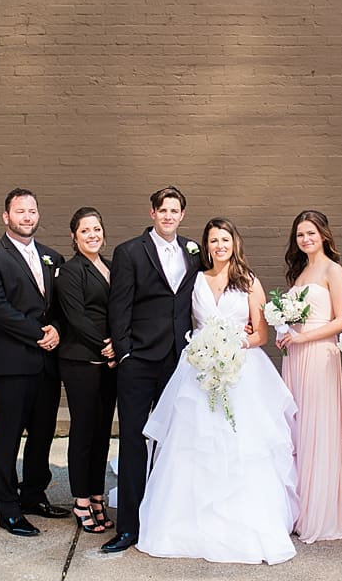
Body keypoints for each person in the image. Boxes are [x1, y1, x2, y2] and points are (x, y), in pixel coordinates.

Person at [137, 218, 298, 564]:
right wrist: (207, 348)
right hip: (198, 370)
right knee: (193, 444)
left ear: (234, 243)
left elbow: (261, 336)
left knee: (242, 445)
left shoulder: (249, 281)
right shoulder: (194, 280)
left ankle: (243, 522)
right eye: (213, 240)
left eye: (225, 239)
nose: (220, 245)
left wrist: (234, 343)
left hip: (240, 371)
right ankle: (188, 523)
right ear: (206, 246)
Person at [102, 186, 201, 554]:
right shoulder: (130, 252)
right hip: (139, 361)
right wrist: (125, 352)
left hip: (179, 362)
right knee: (133, 441)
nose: (169, 216)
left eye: (175, 211)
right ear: (152, 213)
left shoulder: (195, 251)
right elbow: (119, 306)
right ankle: (128, 527)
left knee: (174, 443)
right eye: (163, 210)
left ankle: (166, 519)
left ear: (182, 215)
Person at [0, 188, 68, 537]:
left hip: (46, 362)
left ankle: (33, 495)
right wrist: (39, 332)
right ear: (6, 217)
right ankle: (7, 506)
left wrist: (57, 328)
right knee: (8, 435)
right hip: (11, 362)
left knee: (42, 434)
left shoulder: (52, 258)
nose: (27, 217)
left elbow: (60, 307)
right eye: (20, 211)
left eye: (32, 211)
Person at [277, 209, 342, 543]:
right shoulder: (301, 272)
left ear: (323, 235)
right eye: (300, 235)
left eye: (311, 233)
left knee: (317, 428)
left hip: (319, 356)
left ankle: (319, 513)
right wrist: (286, 331)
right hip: (295, 356)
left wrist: (305, 336)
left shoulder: (333, 270)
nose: (305, 239)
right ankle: (298, 506)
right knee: (298, 430)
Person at [54, 207, 117, 535]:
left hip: (109, 363)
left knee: (102, 433)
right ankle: (80, 499)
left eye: (96, 229)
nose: (92, 235)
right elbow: (76, 317)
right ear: (74, 236)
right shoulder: (70, 271)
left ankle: (96, 494)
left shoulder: (108, 266)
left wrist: (116, 345)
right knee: (83, 432)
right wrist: (106, 344)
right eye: (85, 231)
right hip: (81, 360)